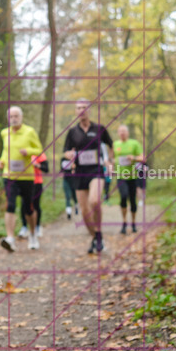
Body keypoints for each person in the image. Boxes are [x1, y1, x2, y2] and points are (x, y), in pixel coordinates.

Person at [62, 100, 113, 254]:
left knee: (95, 200)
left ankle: (98, 234)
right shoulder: (72, 132)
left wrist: (110, 161)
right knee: (84, 212)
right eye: (78, 108)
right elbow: (65, 151)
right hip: (79, 172)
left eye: (84, 107)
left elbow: (111, 145)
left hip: (96, 170)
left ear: (89, 110)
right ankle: (96, 237)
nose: (82, 110)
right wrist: (69, 154)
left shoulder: (99, 129)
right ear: (75, 111)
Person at [0, 107, 45, 251]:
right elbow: (6, 151)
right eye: (11, 116)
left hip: (26, 176)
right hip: (9, 175)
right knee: (10, 205)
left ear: (21, 117)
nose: (14, 118)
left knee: (28, 207)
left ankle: (32, 235)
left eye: (16, 116)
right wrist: (1, 161)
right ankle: (10, 238)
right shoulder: (4, 133)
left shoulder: (29, 132)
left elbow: (39, 150)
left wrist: (28, 151)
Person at [113, 125, 144, 234]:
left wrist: (134, 158)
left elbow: (143, 157)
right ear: (118, 133)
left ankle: (134, 223)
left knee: (132, 200)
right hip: (121, 176)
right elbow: (111, 158)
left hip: (132, 176)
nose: (122, 133)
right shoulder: (115, 144)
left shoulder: (134, 143)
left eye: (124, 131)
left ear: (128, 133)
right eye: (120, 131)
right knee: (123, 196)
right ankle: (124, 222)